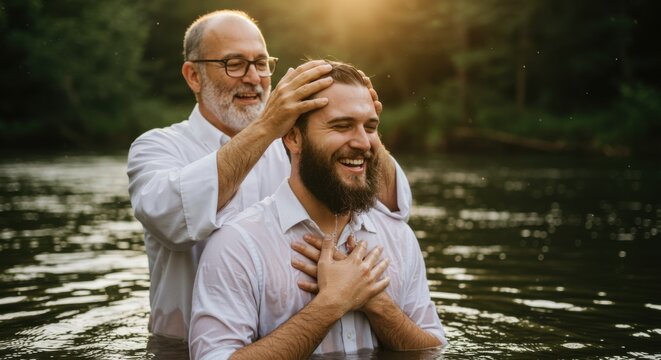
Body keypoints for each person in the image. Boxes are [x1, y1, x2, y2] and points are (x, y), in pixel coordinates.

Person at [126, 10, 412, 341]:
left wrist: (367, 127)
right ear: (193, 75)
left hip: (295, 343)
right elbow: (173, 218)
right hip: (180, 351)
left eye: (262, 64)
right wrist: (268, 125)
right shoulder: (158, 147)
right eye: (234, 64)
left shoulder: (295, 145)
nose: (253, 78)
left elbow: (392, 206)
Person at [189, 60, 446, 359]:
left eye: (370, 127)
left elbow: (433, 348)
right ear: (294, 137)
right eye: (342, 125)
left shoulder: (398, 237)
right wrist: (331, 304)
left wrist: (376, 302)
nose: (363, 142)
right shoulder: (237, 245)